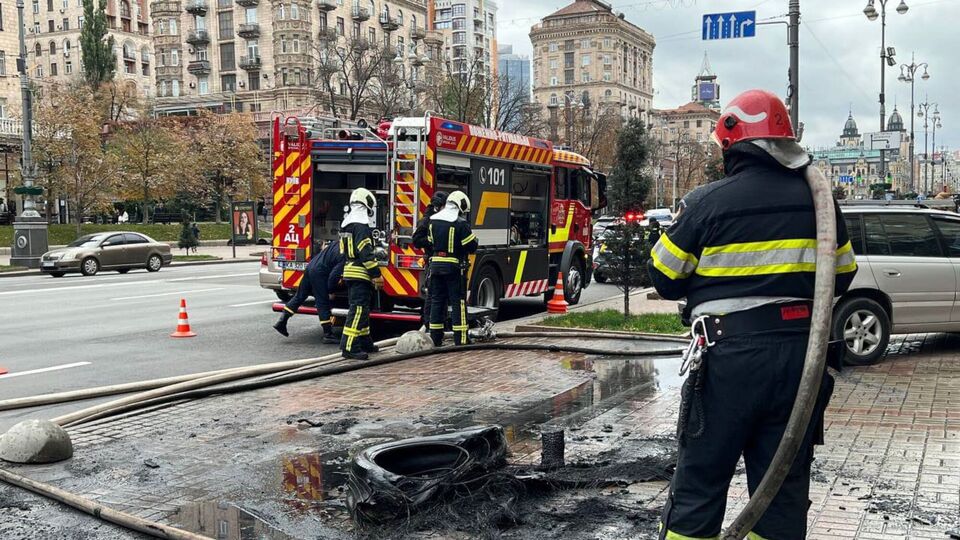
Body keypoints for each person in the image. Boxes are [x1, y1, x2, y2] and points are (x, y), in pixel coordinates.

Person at [648, 89, 858, 540]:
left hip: (729, 361)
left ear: (731, 143)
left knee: (700, 487)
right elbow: (842, 275)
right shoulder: (820, 203)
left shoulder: (706, 202)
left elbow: (664, 276)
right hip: (802, 362)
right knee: (780, 491)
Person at [425, 190, 477, 347]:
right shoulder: (460, 223)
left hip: (435, 266)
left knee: (436, 301)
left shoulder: (433, 220)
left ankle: (435, 338)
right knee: (458, 302)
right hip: (453, 267)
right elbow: (471, 246)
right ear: (460, 206)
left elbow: (429, 241)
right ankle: (460, 339)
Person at [274, 240, 346, 343]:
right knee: (322, 301)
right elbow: (333, 277)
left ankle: (282, 321)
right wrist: (331, 290)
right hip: (320, 273)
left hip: (310, 267)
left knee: (300, 296)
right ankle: (328, 334)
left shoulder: (337, 243)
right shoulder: (345, 255)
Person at [339, 188, 382, 360]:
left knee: (363, 310)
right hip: (360, 273)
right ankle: (349, 346)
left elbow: (343, 250)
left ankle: (365, 342)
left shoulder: (347, 224)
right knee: (357, 310)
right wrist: (376, 274)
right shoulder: (362, 227)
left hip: (350, 270)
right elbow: (365, 253)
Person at [412, 191, 449, 326]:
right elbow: (416, 240)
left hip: (439, 262)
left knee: (441, 295)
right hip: (432, 261)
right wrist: (433, 241)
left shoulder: (438, 218)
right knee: (433, 295)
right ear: (438, 206)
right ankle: (429, 324)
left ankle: (441, 323)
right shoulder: (427, 221)